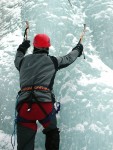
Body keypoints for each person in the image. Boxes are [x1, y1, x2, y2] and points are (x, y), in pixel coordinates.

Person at [14, 33, 83, 150]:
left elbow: (18, 57)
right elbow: (69, 58)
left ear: (34, 47)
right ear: (48, 47)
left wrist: (23, 47)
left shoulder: (22, 62)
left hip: (25, 107)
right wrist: (78, 48)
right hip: (44, 106)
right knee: (52, 132)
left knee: (24, 145)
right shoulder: (53, 61)